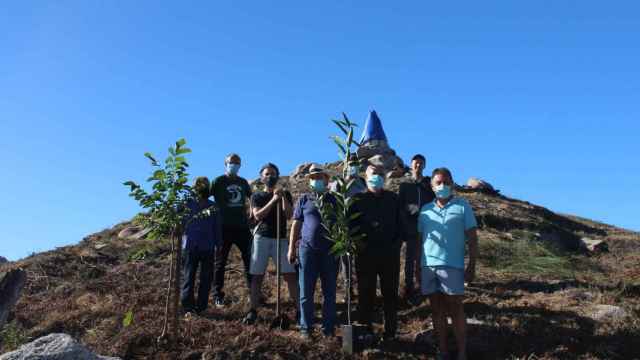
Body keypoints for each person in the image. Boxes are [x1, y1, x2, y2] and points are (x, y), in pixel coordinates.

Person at [417, 167, 478, 360]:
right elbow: (420, 241)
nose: (442, 186)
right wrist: (418, 267)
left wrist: (472, 265)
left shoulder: (462, 206)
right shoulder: (425, 210)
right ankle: (442, 351)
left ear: (451, 183)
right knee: (437, 310)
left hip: (453, 266)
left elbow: (473, 238)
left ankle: (462, 352)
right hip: (428, 267)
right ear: (432, 186)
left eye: (446, 182)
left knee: (456, 309)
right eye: (438, 183)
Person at [348, 161, 402, 341]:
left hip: (389, 255)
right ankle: (365, 331)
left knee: (390, 295)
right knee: (365, 294)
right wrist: (358, 245)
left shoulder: (393, 199)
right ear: (365, 176)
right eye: (373, 173)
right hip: (365, 255)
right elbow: (350, 227)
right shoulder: (357, 200)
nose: (376, 177)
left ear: (385, 177)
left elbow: (401, 225)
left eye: (380, 173)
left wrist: (396, 246)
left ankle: (390, 332)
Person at [243, 163, 299, 324]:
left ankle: (299, 310)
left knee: (290, 275)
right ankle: (253, 310)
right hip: (262, 238)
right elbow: (258, 215)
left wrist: (281, 199)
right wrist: (273, 200)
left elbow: (288, 215)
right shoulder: (257, 196)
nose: (270, 177)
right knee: (257, 276)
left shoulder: (285, 194)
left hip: (280, 239)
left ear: (278, 176)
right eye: (267, 174)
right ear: (262, 177)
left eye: (273, 174)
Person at [288, 164, 338, 338]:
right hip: (307, 250)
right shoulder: (304, 199)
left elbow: (341, 224)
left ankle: (328, 329)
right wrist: (291, 248)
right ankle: (306, 328)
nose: (316, 180)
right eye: (313, 177)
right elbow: (296, 224)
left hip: (330, 252)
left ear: (326, 179)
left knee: (329, 292)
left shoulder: (334, 199)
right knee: (306, 292)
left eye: (319, 177)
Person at [211, 153, 253, 307]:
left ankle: (252, 293)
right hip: (223, 227)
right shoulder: (218, 181)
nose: (234, 165)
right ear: (225, 163)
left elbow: (252, 197)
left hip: (242, 226)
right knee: (220, 262)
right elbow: (205, 196)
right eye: (231, 162)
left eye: (237, 163)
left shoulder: (242, 182)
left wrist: (252, 212)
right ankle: (217, 295)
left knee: (250, 260)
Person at [181, 176, 222, 314]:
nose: (202, 187)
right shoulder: (187, 204)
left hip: (208, 246)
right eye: (199, 184)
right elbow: (177, 220)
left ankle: (201, 307)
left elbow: (217, 227)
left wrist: (219, 245)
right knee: (189, 277)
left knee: (206, 278)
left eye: (205, 184)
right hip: (190, 246)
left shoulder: (213, 206)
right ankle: (188, 307)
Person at [398, 154, 435, 300]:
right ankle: (408, 287)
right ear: (411, 165)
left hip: (427, 228)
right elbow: (400, 206)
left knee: (424, 258)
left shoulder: (428, 186)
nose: (418, 166)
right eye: (416, 163)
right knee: (410, 259)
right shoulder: (405, 185)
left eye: (421, 163)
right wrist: (409, 212)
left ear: (424, 166)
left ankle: (423, 286)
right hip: (411, 227)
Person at [330, 154, 366, 300]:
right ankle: (348, 289)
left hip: (361, 225)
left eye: (356, 163)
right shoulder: (339, 182)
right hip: (344, 225)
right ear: (346, 165)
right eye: (351, 163)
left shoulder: (362, 182)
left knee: (361, 259)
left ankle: (363, 288)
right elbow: (333, 202)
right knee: (345, 260)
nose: (353, 166)